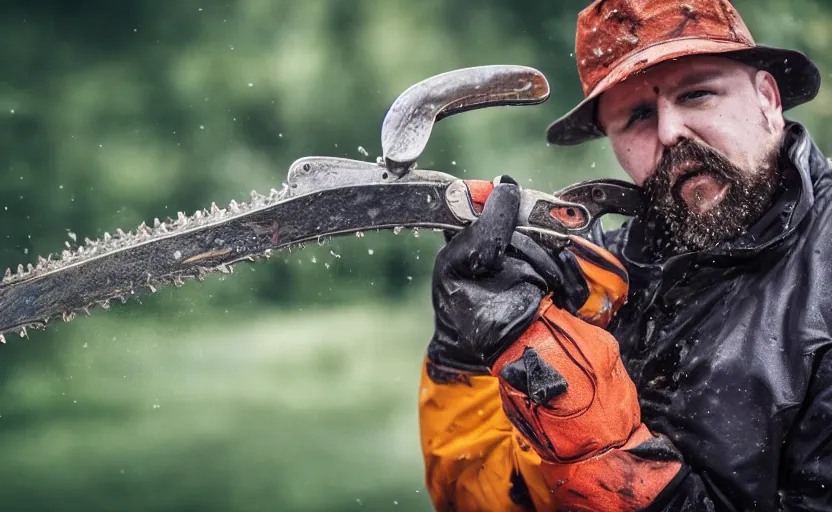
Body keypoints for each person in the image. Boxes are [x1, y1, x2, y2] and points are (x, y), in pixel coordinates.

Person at [417, 0, 831, 510]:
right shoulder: (597, 283)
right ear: (612, 142)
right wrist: (469, 352)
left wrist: (601, 455)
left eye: (697, 93)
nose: (670, 132)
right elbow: (478, 498)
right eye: (637, 116)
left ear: (767, 98)